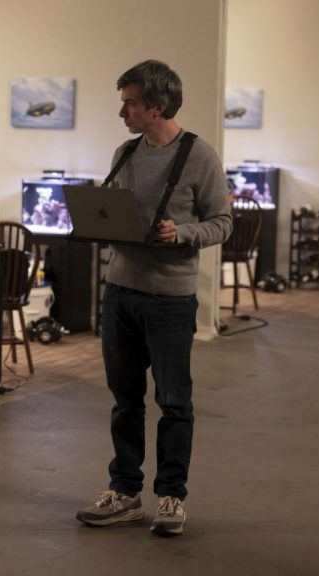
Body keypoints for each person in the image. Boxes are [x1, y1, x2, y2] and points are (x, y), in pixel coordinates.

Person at [76, 60, 233, 536]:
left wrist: (182, 233)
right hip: (119, 293)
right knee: (125, 401)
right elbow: (116, 214)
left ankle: (170, 497)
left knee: (174, 402)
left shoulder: (200, 156)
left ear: (158, 107)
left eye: (130, 103)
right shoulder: (124, 153)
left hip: (169, 299)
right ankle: (124, 492)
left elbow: (223, 222)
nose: (122, 112)